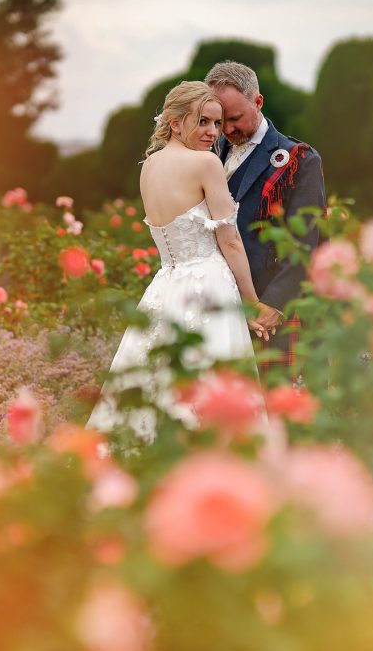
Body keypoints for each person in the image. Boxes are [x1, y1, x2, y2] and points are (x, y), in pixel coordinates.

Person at [86, 81, 265, 443]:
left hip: (165, 286)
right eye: (202, 122)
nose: (212, 132)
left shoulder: (148, 167)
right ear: (175, 122)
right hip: (209, 284)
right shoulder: (206, 163)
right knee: (209, 380)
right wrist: (251, 300)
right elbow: (229, 241)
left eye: (216, 123)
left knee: (155, 378)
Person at [205, 61, 325, 381]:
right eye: (220, 121)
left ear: (258, 102)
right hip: (217, 310)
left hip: (269, 314)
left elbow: (306, 243)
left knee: (276, 415)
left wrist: (275, 303)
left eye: (235, 118)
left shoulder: (299, 160)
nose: (227, 130)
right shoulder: (208, 155)